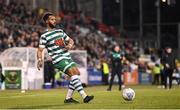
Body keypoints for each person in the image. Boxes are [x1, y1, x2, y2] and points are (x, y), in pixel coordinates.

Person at [37, 12, 94, 103]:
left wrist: (70, 45)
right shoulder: (44, 36)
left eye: (55, 19)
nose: (54, 21)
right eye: (52, 19)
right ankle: (85, 96)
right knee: (72, 73)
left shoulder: (60, 31)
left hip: (67, 56)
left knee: (76, 73)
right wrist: (40, 60)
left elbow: (70, 40)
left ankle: (68, 98)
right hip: (58, 59)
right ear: (47, 21)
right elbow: (40, 50)